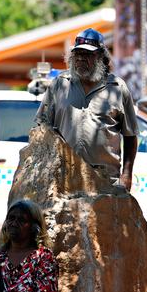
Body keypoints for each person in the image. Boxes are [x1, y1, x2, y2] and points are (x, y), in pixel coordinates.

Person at [35, 28, 138, 190]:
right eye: (78, 54)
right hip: (65, 175)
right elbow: (41, 129)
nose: (81, 59)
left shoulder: (117, 88)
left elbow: (130, 135)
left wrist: (126, 175)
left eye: (88, 55)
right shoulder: (60, 85)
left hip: (104, 178)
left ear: (101, 58)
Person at [0, 200, 58, 292]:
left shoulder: (44, 257)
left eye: (21, 220)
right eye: (11, 218)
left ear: (34, 227)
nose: (14, 223)